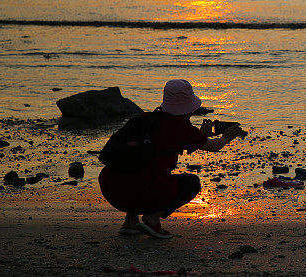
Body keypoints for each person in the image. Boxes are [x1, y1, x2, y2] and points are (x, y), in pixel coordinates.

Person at [98, 79, 244, 239]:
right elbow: (214, 146)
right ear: (189, 107)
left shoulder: (143, 119)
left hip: (112, 189)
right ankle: (152, 218)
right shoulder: (181, 127)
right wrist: (226, 137)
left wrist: (201, 135)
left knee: (138, 167)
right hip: (142, 191)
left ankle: (130, 222)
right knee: (191, 183)